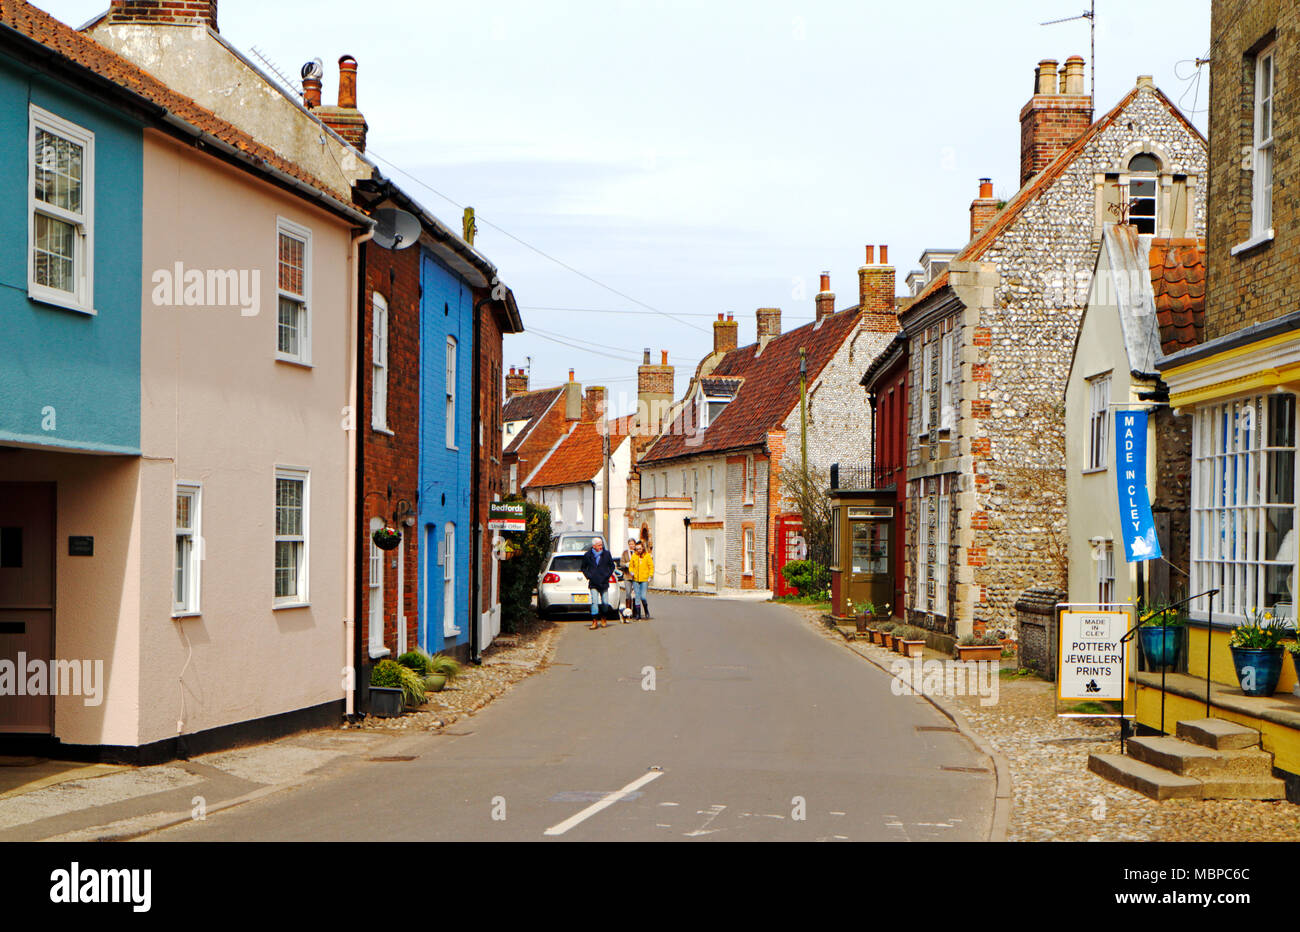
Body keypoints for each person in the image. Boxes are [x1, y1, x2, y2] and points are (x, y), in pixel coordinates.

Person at [580, 536, 616, 629]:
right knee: (594, 602)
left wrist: (607, 575)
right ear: (594, 546)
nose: (601, 547)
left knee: (605, 602)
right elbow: (583, 568)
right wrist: (589, 575)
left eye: (601, 545)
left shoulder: (606, 554)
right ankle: (594, 621)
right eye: (599, 545)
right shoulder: (588, 555)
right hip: (593, 582)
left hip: (604, 582)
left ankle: (603, 617)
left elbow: (611, 566)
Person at [629, 540, 654, 620]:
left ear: (643, 548)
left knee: (643, 597)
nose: (638, 550)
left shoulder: (647, 556)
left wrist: (650, 576)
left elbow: (651, 566)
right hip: (636, 579)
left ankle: (646, 610)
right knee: (637, 596)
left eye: (640, 548)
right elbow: (631, 566)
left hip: (644, 579)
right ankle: (638, 614)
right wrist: (631, 571)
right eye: (637, 549)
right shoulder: (634, 556)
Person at [621, 536, 639, 618]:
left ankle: (636, 612)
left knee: (635, 594)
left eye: (633, 544)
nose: (631, 546)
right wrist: (626, 564)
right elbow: (621, 563)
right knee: (628, 593)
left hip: (636, 577)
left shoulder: (637, 552)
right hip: (627, 576)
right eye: (630, 544)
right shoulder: (625, 553)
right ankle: (628, 612)